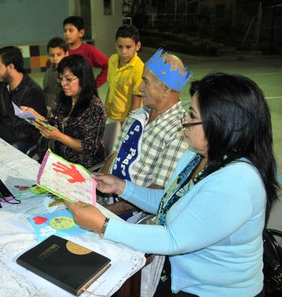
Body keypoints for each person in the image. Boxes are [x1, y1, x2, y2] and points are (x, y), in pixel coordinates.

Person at [66, 72, 278, 297]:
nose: (184, 121)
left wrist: (104, 225)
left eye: (192, 115)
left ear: (220, 125)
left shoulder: (236, 182)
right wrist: (122, 187)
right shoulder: (198, 156)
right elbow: (170, 201)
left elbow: (173, 238)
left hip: (212, 291)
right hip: (179, 275)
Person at [99, 49, 188, 216]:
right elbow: (115, 156)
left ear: (166, 89)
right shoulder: (138, 115)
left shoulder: (179, 132)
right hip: (108, 199)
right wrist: (93, 188)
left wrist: (105, 212)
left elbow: (156, 193)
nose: (140, 88)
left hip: (136, 216)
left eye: (145, 82)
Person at [24, 54, 106, 169]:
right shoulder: (62, 98)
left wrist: (59, 136)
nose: (63, 83)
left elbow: (89, 148)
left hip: (83, 167)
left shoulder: (94, 108)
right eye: (61, 78)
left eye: (68, 79)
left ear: (83, 78)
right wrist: (34, 115)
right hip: (59, 161)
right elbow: (52, 123)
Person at [105, 24, 144, 122]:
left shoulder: (139, 68)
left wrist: (129, 123)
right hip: (110, 115)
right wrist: (105, 110)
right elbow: (111, 87)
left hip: (125, 120)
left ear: (137, 46)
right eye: (120, 46)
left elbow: (137, 100)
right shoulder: (112, 59)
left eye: (128, 47)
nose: (123, 52)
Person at [62, 16, 108, 88]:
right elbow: (50, 66)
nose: (67, 34)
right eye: (65, 31)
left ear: (81, 33)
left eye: (71, 30)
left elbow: (108, 65)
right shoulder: (61, 51)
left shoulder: (89, 50)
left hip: (85, 94)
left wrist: (95, 85)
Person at [43, 37, 68, 108]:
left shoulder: (69, 73)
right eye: (52, 55)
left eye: (59, 54)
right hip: (49, 107)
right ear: (48, 55)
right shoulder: (48, 71)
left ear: (66, 54)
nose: (55, 58)